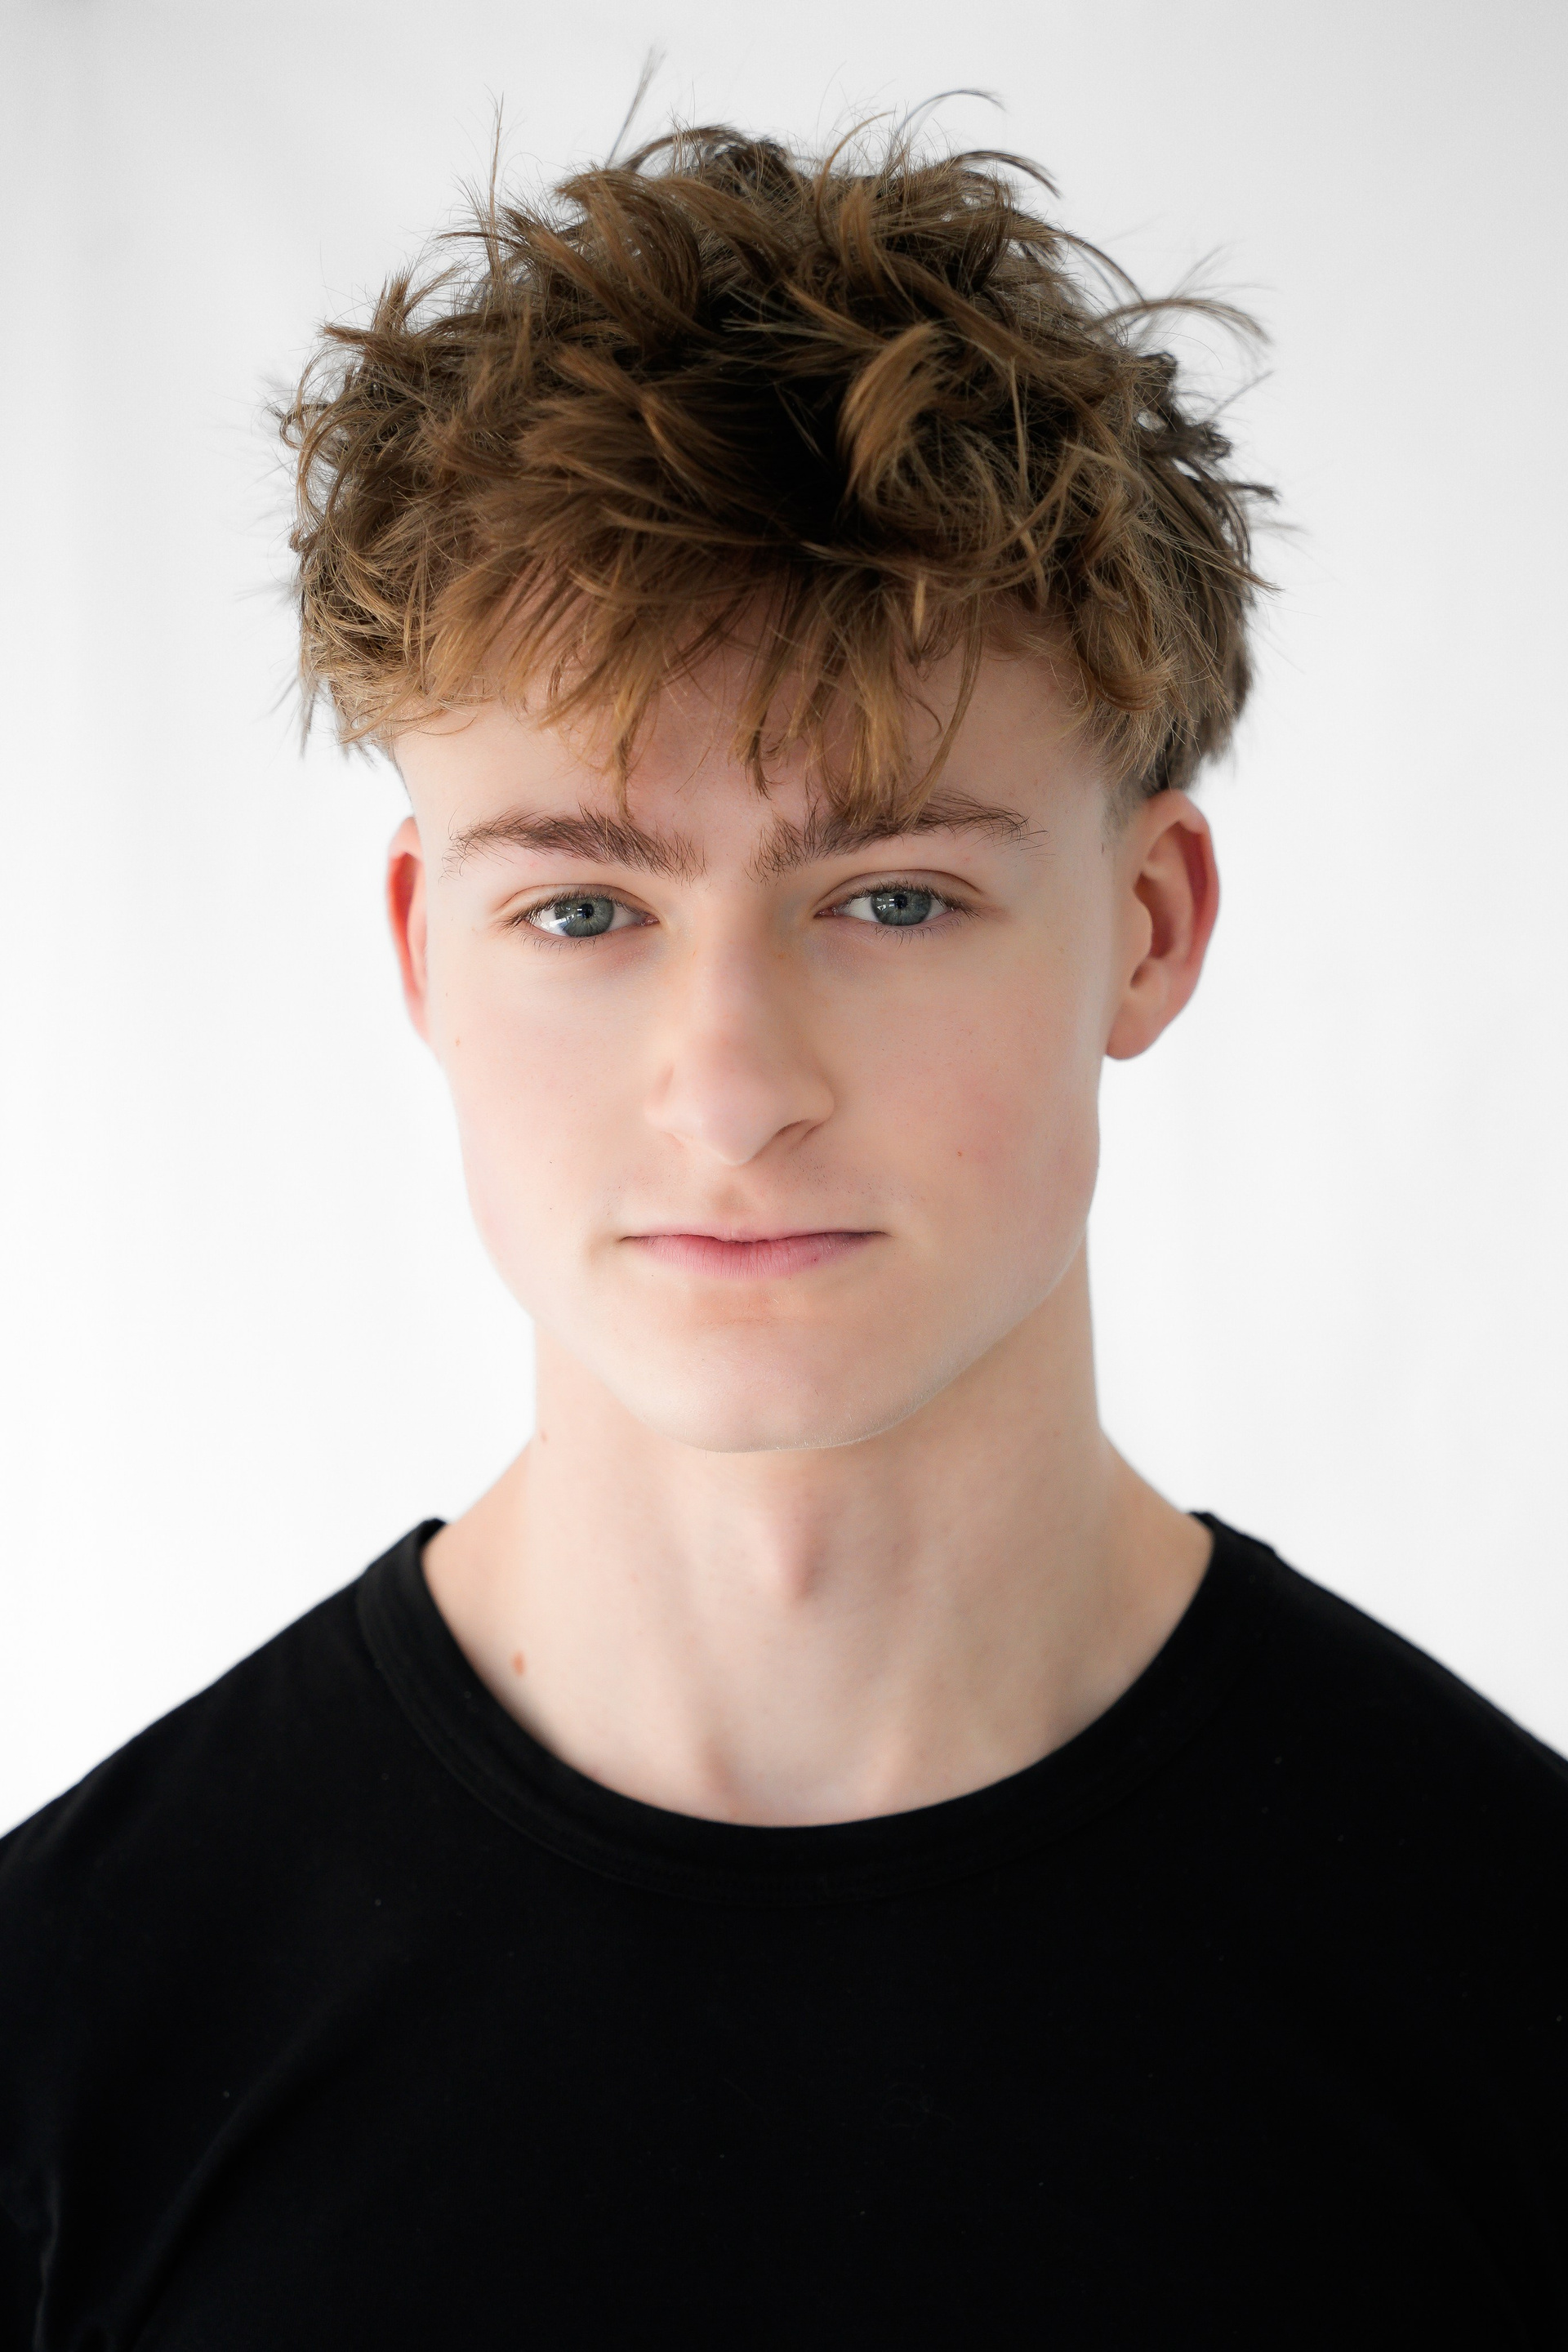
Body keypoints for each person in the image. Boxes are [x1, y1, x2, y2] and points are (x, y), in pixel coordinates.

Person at [1, 123, 1564, 2351]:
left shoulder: (1514, 1986)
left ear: (1146, 924)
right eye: (583, 910)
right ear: (426, 952)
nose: (730, 1088)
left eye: (894, 897)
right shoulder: (71, 2036)